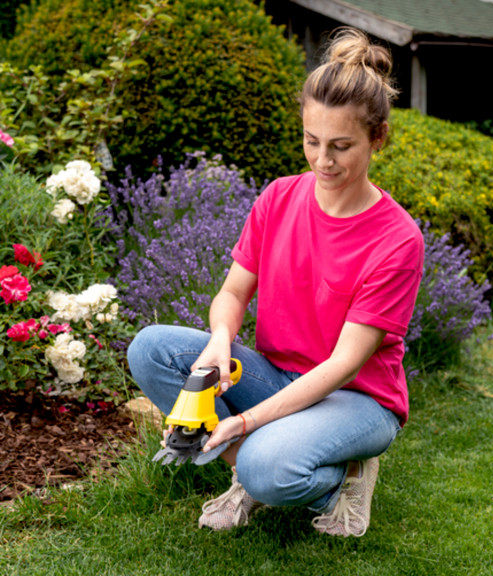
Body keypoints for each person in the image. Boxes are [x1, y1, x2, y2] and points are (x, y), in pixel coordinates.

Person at [127, 27, 424, 538]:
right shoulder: (279, 198)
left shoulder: (397, 240)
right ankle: (258, 469)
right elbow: (233, 293)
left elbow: (342, 366)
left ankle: (340, 473)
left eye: (341, 146)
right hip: (278, 374)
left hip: (356, 397)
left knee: (267, 469)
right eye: (312, 141)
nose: (322, 161)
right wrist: (220, 341)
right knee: (150, 349)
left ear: (378, 139)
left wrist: (242, 423)